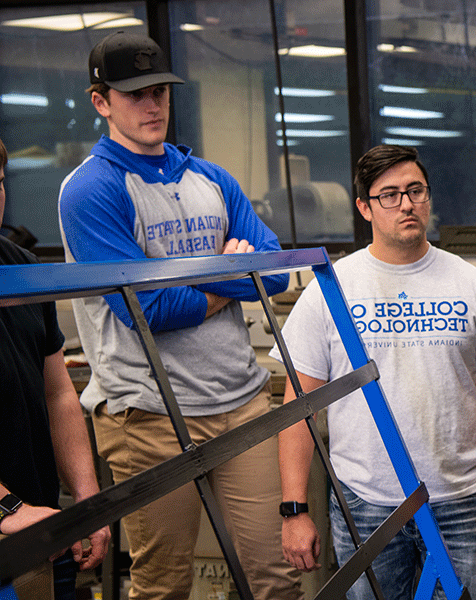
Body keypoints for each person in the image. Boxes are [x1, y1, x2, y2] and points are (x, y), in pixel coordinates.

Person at [57, 32, 300, 600]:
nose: (152, 105)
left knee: (275, 576)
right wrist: (225, 275)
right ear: (101, 101)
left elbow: (276, 275)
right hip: (148, 414)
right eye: (135, 94)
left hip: (241, 403)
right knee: (163, 585)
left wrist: (185, 274)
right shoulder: (91, 190)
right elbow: (151, 311)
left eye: (160, 91)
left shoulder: (212, 179)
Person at [271, 144, 476, 600]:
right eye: (389, 195)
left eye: (416, 191)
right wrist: (294, 509)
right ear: (364, 208)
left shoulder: (474, 286)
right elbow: (300, 407)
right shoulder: (329, 290)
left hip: (461, 502)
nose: (407, 204)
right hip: (365, 502)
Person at [0, 137, 111, 600]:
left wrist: (86, 500)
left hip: (38, 525)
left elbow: (59, 395)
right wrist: (7, 508)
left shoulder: (23, 270)